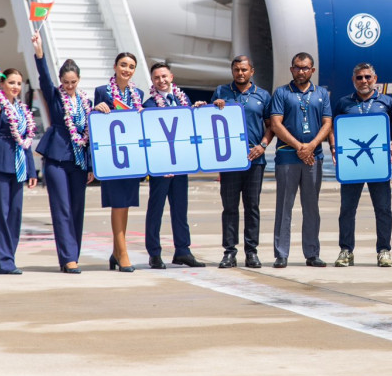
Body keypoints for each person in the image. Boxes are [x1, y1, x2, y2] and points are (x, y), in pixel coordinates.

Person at [32, 32, 92, 274]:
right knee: (62, 208)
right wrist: (39, 54)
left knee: (77, 208)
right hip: (56, 158)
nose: (69, 86)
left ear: (78, 80)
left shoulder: (85, 102)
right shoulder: (56, 96)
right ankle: (69, 257)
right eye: (65, 82)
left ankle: (71, 255)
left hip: (78, 161)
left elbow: (88, 134)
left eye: (73, 82)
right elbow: (44, 78)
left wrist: (89, 166)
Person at [329, 63, 392, 267]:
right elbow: (331, 127)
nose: (364, 81)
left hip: (378, 164)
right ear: (353, 80)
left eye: (368, 77)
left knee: (383, 209)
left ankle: (384, 250)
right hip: (352, 165)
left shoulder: (387, 102)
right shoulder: (343, 103)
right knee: (347, 209)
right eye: (359, 78)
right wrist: (334, 147)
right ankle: (346, 251)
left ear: (375, 79)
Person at [268, 52, 332, 268]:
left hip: (314, 158)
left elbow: (327, 123)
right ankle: (281, 253)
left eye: (305, 68)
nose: (301, 71)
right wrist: (299, 147)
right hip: (288, 157)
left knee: (311, 207)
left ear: (312, 70)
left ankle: (312, 253)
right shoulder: (282, 93)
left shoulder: (321, 93)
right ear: (291, 69)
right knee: (284, 206)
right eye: (297, 67)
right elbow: (276, 124)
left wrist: (312, 146)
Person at [210, 55, 274, 269]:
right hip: (230, 161)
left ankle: (251, 251)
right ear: (232, 71)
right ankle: (229, 252)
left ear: (252, 71)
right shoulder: (221, 92)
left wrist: (262, 146)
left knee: (252, 207)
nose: (240, 73)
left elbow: (271, 126)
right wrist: (213, 107)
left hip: (255, 159)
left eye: (244, 69)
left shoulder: (263, 95)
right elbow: (209, 122)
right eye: (236, 69)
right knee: (229, 207)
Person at [143, 62, 205, 269]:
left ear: (171, 77)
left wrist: (196, 111)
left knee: (180, 209)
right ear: (152, 82)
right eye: (156, 78)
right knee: (156, 210)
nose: (161, 81)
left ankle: (183, 251)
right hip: (161, 166)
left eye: (164, 76)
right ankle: (154, 253)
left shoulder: (183, 99)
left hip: (181, 162)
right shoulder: (150, 105)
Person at [0, 68, 38, 275]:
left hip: (19, 164)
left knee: (15, 214)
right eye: (11, 82)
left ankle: (4, 259)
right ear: (2, 85)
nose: (15, 87)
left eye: (18, 83)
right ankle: (5, 261)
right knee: (0, 214)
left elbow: (26, 140)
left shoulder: (22, 109)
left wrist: (32, 170)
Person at [93, 52, 145, 273]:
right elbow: (95, 123)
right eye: (123, 65)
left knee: (126, 205)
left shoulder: (139, 94)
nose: (127, 69)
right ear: (115, 67)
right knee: (117, 203)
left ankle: (117, 252)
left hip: (131, 156)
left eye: (131, 66)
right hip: (112, 156)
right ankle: (122, 254)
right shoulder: (102, 92)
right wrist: (97, 109)